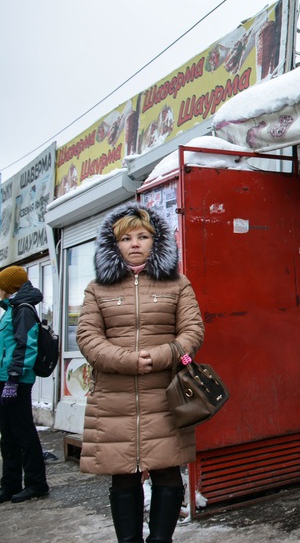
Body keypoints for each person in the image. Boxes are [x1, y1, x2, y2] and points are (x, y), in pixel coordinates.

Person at [77, 204, 204, 543]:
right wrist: (125, 361)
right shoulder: (97, 289)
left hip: (165, 394)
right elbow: (87, 338)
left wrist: (163, 355)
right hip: (114, 399)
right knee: (123, 476)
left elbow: (193, 332)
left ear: (156, 241)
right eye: (126, 238)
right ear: (113, 244)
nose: (135, 243)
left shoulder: (177, 284)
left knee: (166, 471)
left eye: (143, 236)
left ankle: (160, 540)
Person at [0, 265, 50, 504]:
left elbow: (25, 346)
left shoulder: (23, 309)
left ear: (9, 287)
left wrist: (13, 380)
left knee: (23, 432)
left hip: (17, 381)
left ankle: (36, 483)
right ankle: (9, 485)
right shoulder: (12, 308)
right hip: (5, 379)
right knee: (7, 434)